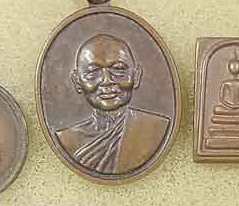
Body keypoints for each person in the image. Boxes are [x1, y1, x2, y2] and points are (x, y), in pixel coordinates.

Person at [57, 33, 170, 174]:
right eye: (92, 72)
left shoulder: (155, 129)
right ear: (77, 81)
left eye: (118, 70)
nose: (106, 81)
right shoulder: (67, 139)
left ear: (136, 76)